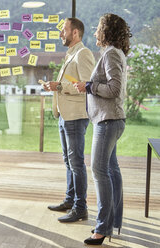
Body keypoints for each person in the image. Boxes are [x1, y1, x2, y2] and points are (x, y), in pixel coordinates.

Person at [74, 13, 131, 245]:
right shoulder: (115, 53)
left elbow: (114, 89)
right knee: (111, 170)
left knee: (99, 171)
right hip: (111, 120)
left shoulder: (110, 53)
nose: (95, 32)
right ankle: (113, 223)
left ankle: (102, 228)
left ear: (107, 32)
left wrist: (89, 86)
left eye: (98, 28)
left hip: (107, 121)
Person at [43, 18, 95, 222]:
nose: (60, 34)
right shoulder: (70, 55)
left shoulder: (83, 54)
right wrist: (56, 86)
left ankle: (80, 208)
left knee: (76, 163)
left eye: (64, 30)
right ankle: (69, 200)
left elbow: (86, 87)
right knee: (69, 161)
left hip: (75, 116)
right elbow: (70, 83)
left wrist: (59, 86)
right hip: (65, 115)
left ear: (75, 33)